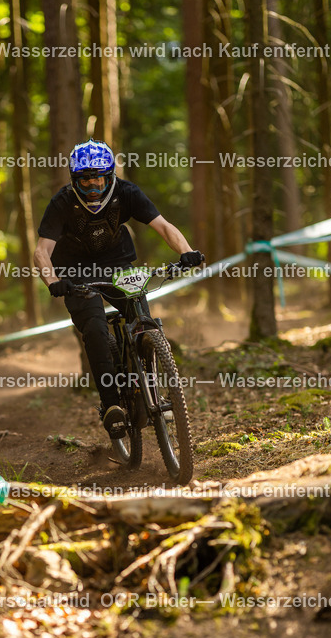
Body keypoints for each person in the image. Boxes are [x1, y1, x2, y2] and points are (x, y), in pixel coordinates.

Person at [34, 138, 204, 439]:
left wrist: (187, 252)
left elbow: (163, 225)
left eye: (99, 177)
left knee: (141, 317)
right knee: (96, 329)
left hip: (118, 264)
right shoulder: (62, 202)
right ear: (75, 180)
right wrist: (54, 282)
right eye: (85, 180)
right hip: (75, 271)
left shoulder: (126, 193)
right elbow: (42, 251)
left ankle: (149, 376)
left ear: (110, 175)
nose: (93, 186)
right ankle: (112, 405)